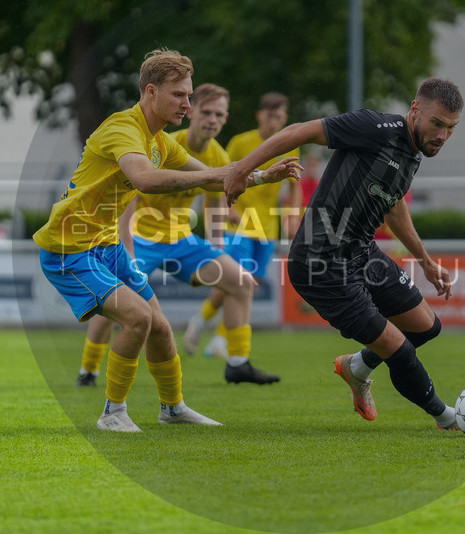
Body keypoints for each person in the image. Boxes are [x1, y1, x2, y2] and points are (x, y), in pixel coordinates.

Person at [33, 48, 301, 432]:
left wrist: (260, 177)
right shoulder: (123, 128)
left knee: (159, 325)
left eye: (190, 96)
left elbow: (211, 175)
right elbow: (144, 179)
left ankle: (173, 408)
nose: (188, 105)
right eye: (180, 95)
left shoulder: (160, 141)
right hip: (68, 251)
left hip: (105, 247)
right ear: (151, 91)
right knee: (138, 318)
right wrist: (217, 178)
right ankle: (112, 413)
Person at [224, 78, 462, 429]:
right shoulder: (375, 128)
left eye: (451, 129)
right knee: (400, 351)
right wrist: (241, 169)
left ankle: (357, 368)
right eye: (437, 124)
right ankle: (450, 419)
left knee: (426, 327)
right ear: (414, 110)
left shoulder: (414, 151)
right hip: (320, 264)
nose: (442, 135)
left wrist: (425, 261)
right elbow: (299, 131)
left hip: (361, 253)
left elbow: (393, 207)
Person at [74, 83, 281, 386]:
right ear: (192, 111)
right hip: (141, 239)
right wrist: (128, 251)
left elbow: (214, 205)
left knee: (240, 281)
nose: (212, 119)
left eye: (219, 114)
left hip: (182, 241)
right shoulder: (166, 146)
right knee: (114, 302)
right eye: (207, 112)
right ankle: (88, 370)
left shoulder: (219, 156)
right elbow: (127, 203)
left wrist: (217, 247)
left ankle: (238, 363)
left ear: (225, 119)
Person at [184, 92, 303, 359]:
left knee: (250, 282)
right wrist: (231, 209)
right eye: (270, 115)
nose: (274, 121)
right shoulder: (241, 142)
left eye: (280, 116)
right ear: (260, 115)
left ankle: (213, 333)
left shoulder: (290, 146)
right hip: (238, 225)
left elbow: (294, 186)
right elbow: (223, 178)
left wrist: (293, 216)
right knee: (239, 280)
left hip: (267, 227)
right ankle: (207, 329)